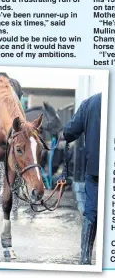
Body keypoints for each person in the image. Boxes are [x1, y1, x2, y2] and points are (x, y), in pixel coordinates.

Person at [63, 92, 102, 265]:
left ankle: (85, 258)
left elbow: (70, 132)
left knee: (91, 211)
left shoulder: (91, 102)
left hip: (96, 168)